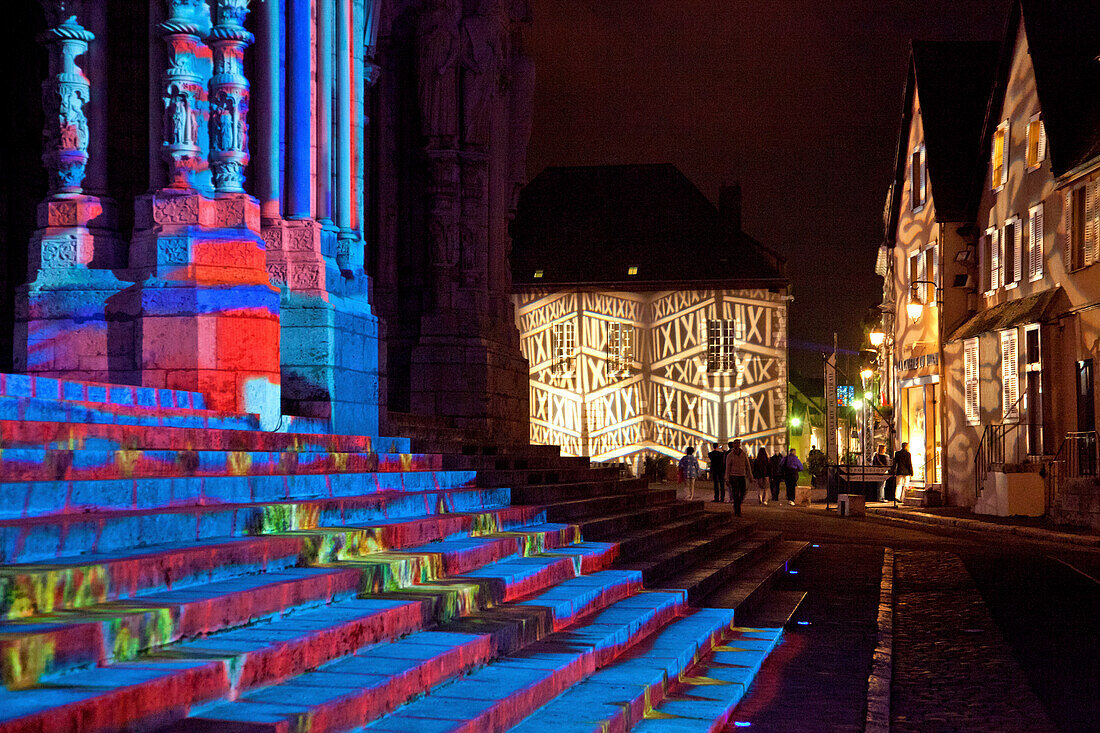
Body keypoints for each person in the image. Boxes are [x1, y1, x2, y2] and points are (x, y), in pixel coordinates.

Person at [724, 439, 753, 517]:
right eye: (735, 443)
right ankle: (737, 510)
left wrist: (750, 476)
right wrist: (727, 478)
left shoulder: (743, 454)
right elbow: (728, 467)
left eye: (738, 443)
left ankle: (737, 504)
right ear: (733, 445)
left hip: (742, 476)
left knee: (743, 491)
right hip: (734, 476)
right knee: (735, 493)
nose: (737, 445)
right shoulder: (730, 455)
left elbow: (747, 466)